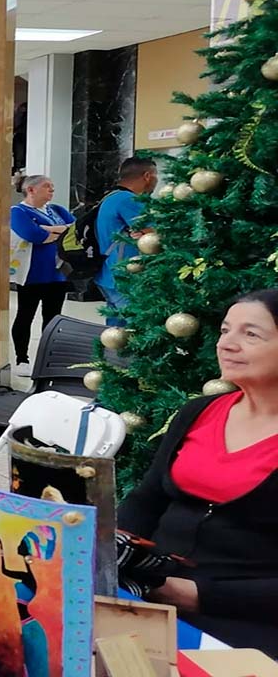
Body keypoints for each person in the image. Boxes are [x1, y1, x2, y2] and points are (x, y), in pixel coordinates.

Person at [118, 290, 278, 655]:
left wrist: (194, 596)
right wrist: (115, 550)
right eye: (225, 331)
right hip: (149, 590)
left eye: (250, 334)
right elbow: (147, 498)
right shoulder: (201, 410)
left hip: (246, 617)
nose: (227, 344)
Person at [9, 175, 75, 376]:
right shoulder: (18, 212)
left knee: (53, 317)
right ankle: (22, 359)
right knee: (25, 315)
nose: (51, 190)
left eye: (53, 187)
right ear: (31, 190)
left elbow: (75, 231)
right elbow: (34, 235)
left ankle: (49, 357)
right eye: (47, 187)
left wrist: (48, 229)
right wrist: (56, 233)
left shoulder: (57, 210)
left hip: (58, 273)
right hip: (32, 274)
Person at [94, 157, 158, 326]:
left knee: (117, 330)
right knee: (140, 326)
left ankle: (112, 354)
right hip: (125, 275)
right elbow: (156, 234)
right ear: (147, 176)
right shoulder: (129, 200)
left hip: (109, 273)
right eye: (156, 175)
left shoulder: (110, 197)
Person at [0, 526, 56, 677]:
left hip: (30, 627)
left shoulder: (30, 579)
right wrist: (1, 547)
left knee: (33, 666)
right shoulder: (25, 577)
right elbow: (5, 571)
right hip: (22, 626)